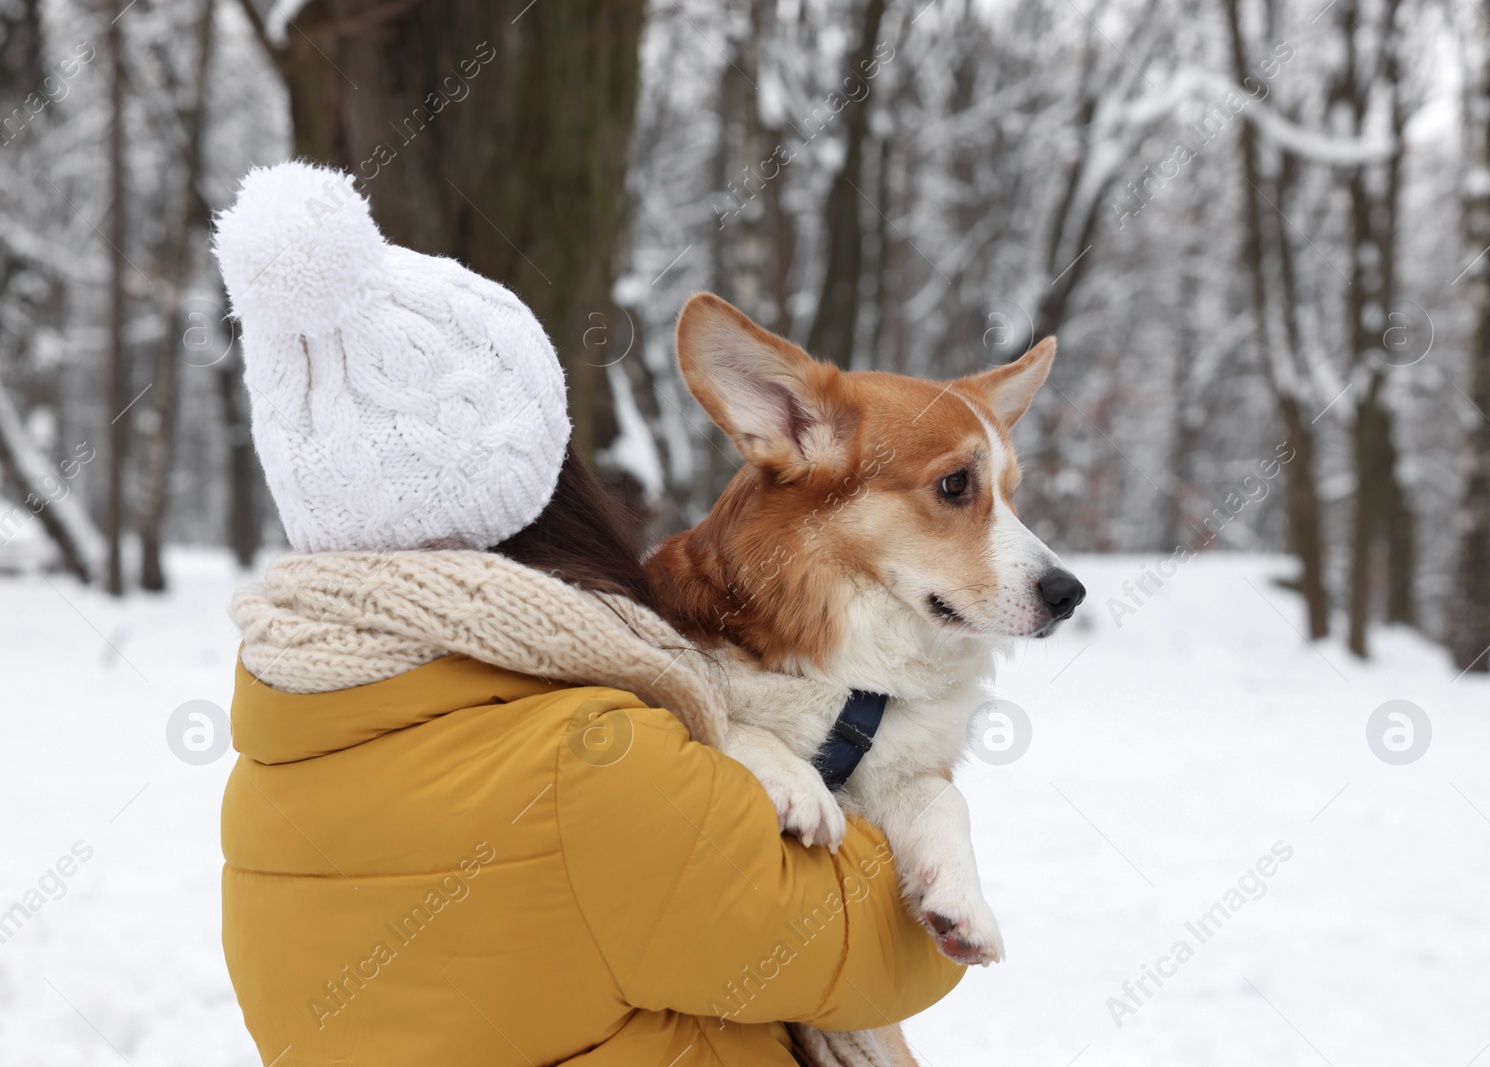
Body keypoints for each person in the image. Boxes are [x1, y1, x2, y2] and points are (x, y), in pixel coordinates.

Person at [213, 161, 962, 1066]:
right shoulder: (595, 757)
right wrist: (919, 790)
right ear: (546, 478)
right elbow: (882, 950)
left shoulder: (270, 776)